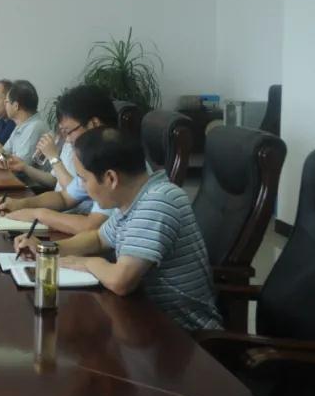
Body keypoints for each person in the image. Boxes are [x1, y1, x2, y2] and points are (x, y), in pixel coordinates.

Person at [14, 127, 221, 333]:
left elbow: (121, 281)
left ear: (111, 178)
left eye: (84, 179)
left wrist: (86, 263)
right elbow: (98, 239)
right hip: (144, 321)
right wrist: (46, 249)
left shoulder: (158, 201)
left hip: (183, 336)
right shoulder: (133, 199)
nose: (82, 188)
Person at [0, 85, 118, 235]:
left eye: (68, 131)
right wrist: (20, 204)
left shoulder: (114, 159)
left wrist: (38, 215)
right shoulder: (93, 156)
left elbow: (91, 226)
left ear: (94, 124)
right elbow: (64, 197)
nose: (68, 140)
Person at [0, 80, 49, 166]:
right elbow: (5, 153)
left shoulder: (34, 128)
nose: (4, 104)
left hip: (24, 175)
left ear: (16, 106)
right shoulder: (21, 126)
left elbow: (16, 165)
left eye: (6, 102)